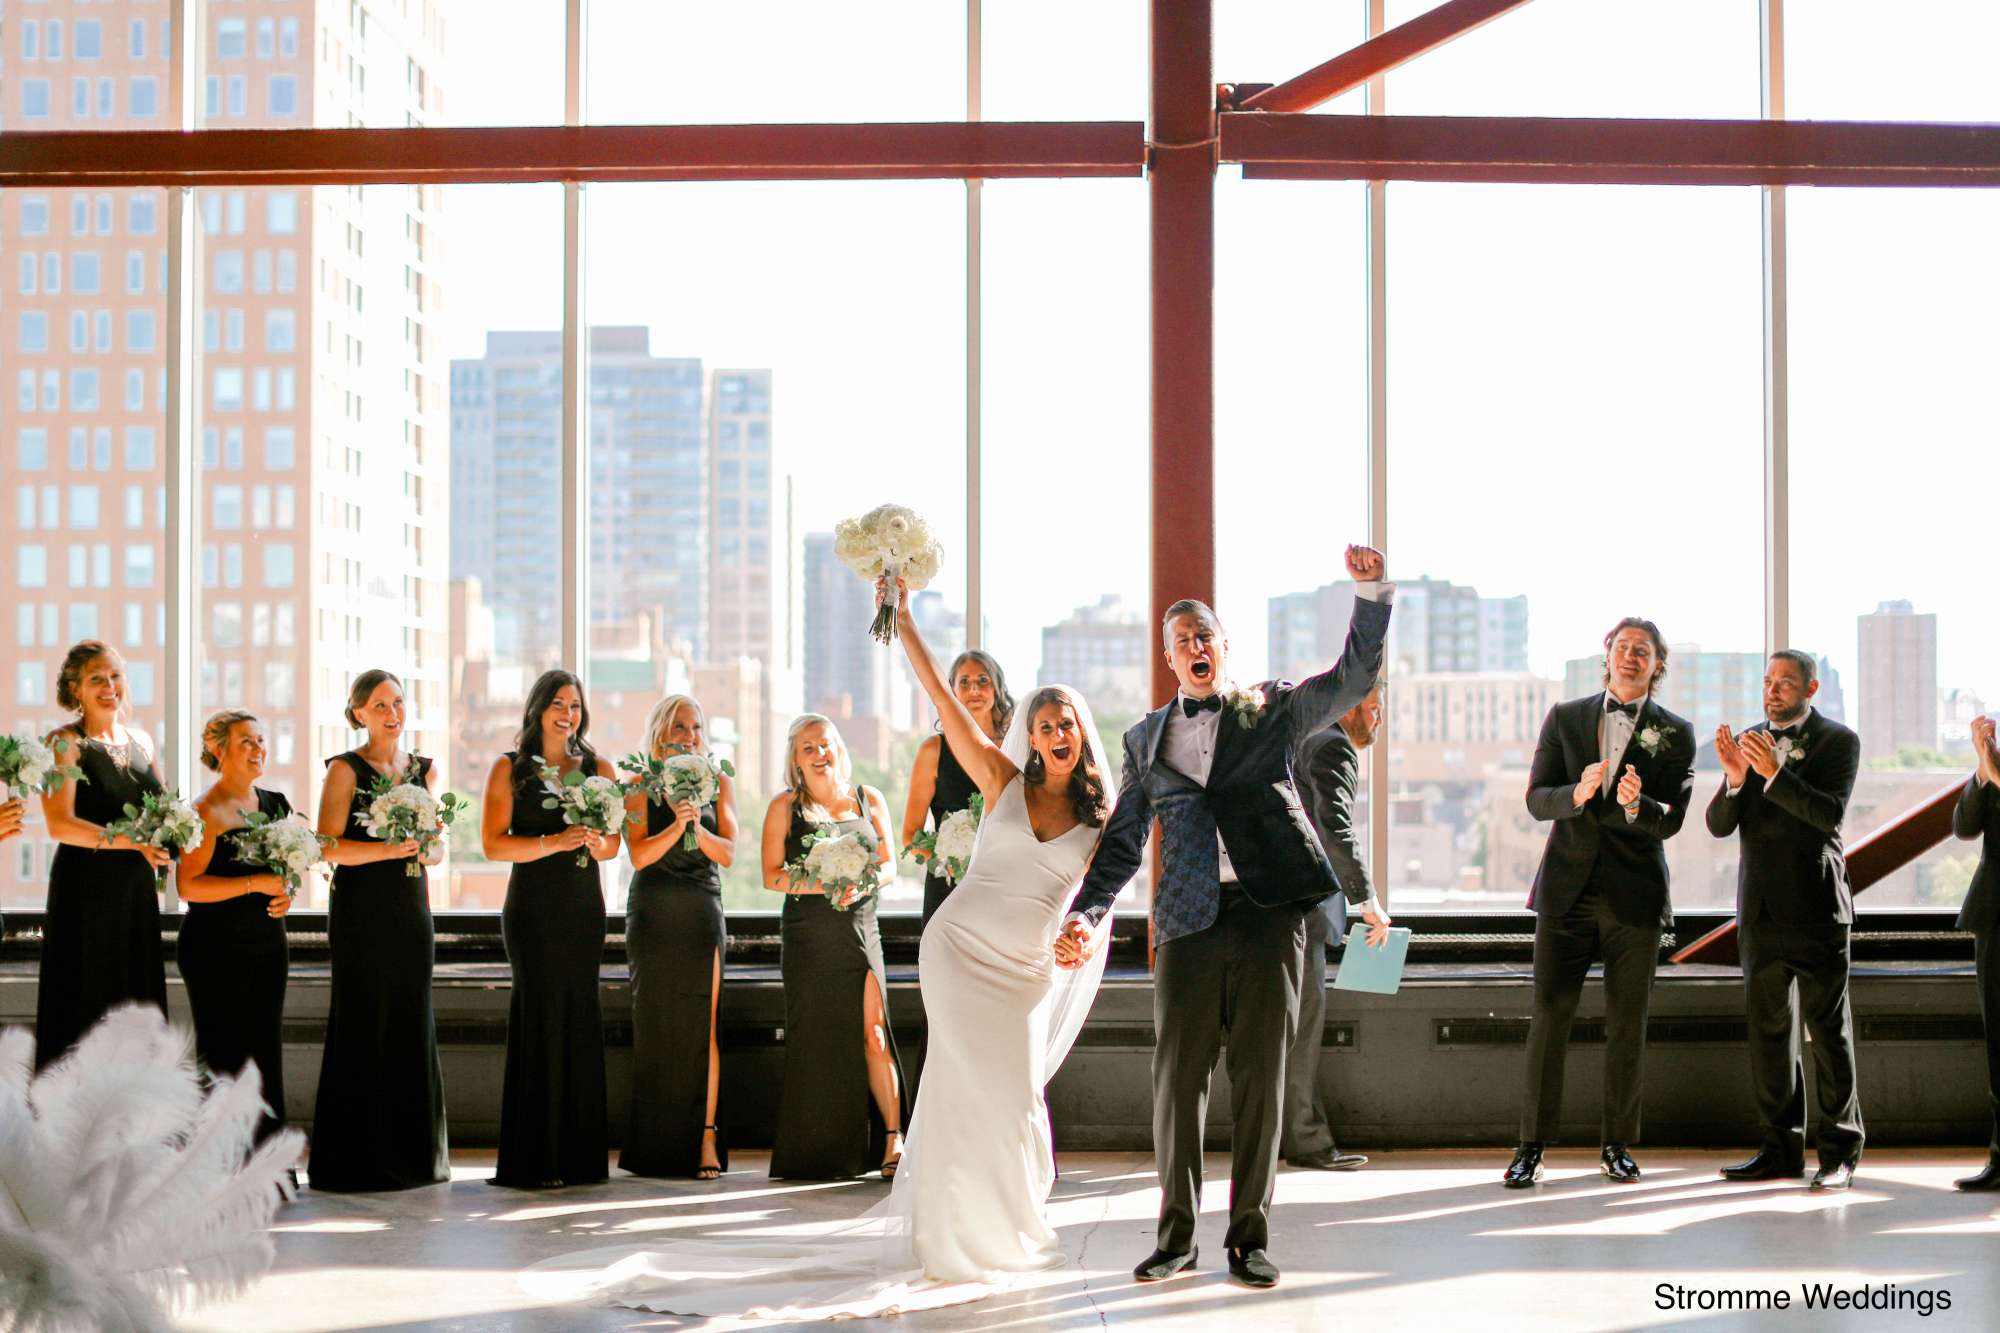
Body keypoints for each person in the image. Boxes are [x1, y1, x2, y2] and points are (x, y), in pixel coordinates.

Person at [520, 579, 1117, 1318]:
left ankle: (1007, 1225)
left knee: (1015, 1093)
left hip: (1025, 971)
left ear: (1084, 737)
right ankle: (950, 1235)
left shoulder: (1101, 821)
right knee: (964, 1090)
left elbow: (1101, 897)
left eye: (1068, 727)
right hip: (959, 949)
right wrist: (900, 621)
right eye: (1047, 723)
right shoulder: (1000, 777)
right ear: (1031, 732)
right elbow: (939, 690)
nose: (1057, 734)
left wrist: (1080, 930)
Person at [1058, 544, 1393, 1290]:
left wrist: (1369, 595)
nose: (1195, 647)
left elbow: (1352, 679)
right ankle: (1175, 1238)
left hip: (1270, 912)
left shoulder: (1271, 708)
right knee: (1176, 1081)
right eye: (1182, 640)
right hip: (1185, 920)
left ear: (1223, 647)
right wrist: (1088, 911)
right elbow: (1120, 841)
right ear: (1170, 658)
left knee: (1260, 1079)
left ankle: (1249, 1239)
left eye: (1204, 635)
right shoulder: (1145, 739)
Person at [1504, 619, 1695, 1189]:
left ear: (1658, 664)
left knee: (1627, 1025)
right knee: (1549, 1020)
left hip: (1635, 899)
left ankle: (1617, 1145)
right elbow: (1538, 800)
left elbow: (1676, 818)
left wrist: (1641, 807)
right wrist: (1578, 794)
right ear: (1606, 655)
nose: (1631, 656)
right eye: (1622, 647)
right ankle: (1530, 1147)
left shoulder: (1678, 732)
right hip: (1566, 893)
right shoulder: (1566, 716)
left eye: (1643, 651)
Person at [1710, 650, 1865, 1191]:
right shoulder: (1750, 739)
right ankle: (1780, 1149)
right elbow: (1717, 825)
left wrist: (1774, 774)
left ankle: (1841, 1152)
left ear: (1811, 688)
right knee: (1770, 1036)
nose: (1772, 691)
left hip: (1819, 910)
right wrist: (1734, 780)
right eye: (1768, 682)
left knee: (1828, 1034)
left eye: (1785, 683)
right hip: (1759, 915)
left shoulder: (1838, 741)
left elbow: (1828, 815)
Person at [309, 669, 451, 1192]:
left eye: (398, 702)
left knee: (410, 1016)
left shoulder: (424, 771)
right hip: (361, 910)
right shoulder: (345, 770)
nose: (393, 713)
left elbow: (436, 848)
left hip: (412, 905)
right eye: (381, 705)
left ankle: (414, 1157)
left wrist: (424, 845)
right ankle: (356, 1160)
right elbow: (325, 845)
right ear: (359, 714)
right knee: (364, 1016)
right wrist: (388, 848)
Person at [481, 669, 622, 1189]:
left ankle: (580, 1159)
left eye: (577, 705)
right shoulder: (509, 769)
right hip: (533, 910)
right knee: (538, 1016)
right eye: (559, 703)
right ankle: (532, 1158)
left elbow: (613, 846)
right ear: (539, 709)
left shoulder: (599, 766)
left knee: (580, 1013)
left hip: (583, 908)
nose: (569, 713)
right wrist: (552, 843)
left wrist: (590, 841)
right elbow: (494, 845)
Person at [762, 714, 907, 1180]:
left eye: (824, 744)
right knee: (817, 1039)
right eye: (808, 748)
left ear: (838, 748)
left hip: (860, 928)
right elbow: (772, 876)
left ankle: (892, 1138)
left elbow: (889, 867)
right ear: (795, 760)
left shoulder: (869, 799)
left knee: (875, 1032)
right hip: (808, 935)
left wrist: (859, 880)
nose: (819, 753)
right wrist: (825, 881)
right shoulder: (784, 807)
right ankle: (820, 1150)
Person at [36, 641, 172, 1069]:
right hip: (85, 895)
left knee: (136, 1000)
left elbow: (165, 813)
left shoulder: (143, 740)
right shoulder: (64, 743)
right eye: (97, 678)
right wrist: (134, 842)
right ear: (75, 688)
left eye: (115, 676)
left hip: (135, 896)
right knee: (87, 1001)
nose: (109, 686)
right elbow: (60, 824)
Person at [619, 694, 736, 1181]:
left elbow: (728, 852)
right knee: (655, 1024)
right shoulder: (638, 785)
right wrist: (675, 819)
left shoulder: (719, 781)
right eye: (680, 727)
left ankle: (706, 1137)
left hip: (700, 907)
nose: (689, 736)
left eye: (696, 728)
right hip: (652, 910)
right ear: (661, 732)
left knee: (702, 1025)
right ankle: (655, 1142)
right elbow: (640, 855)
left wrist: (696, 825)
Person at [176, 710, 296, 1145]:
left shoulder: (276, 803)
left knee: (264, 1050)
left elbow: (283, 871)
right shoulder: (204, 810)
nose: (258, 748)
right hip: (213, 949)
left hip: (267, 944)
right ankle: (219, 1161)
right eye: (246, 741)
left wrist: (285, 894)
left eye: (261, 740)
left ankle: (266, 1164)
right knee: (223, 1052)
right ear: (218, 749)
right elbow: (188, 884)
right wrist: (255, 884)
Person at [1284, 682, 1385, 1172]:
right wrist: (1367, 900)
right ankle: (1305, 1140)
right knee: (1302, 1029)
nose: (1379, 717)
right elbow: (1334, 826)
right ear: (1349, 707)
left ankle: (1288, 1134)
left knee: (1281, 1030)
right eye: (1375, 705)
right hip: (1301, 911)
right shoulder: (1332, 744)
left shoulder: (1301, 736)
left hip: (1274, 904)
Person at [902, 650, 1012, 928]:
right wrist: (952, 859)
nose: (974, 689)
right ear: (951, 691)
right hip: (948, 890)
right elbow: (909, 835)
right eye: (964, 682)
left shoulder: (1016, 747)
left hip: (1005, 887)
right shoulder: (932, 751)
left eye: (982, 680)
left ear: (997, 687)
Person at [1951, 713, 2000, 1191]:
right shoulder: (1995, 763)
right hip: (1996, 915)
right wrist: (1984, 771)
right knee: (1999, 1042)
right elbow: (1964, 827)